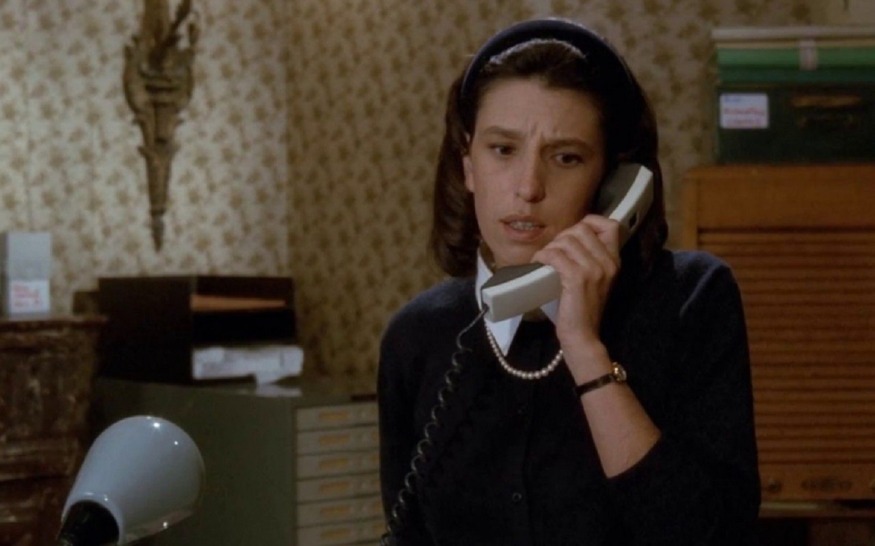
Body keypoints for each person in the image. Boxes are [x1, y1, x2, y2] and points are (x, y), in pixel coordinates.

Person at [377, 17, 760, 546]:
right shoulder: (419, 336)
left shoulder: (691, 299)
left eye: (566, 157)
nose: (528, 187)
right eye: (503, 150)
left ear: (613, 182)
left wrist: (585, 349)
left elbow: (710, 535)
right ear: (468, 166)